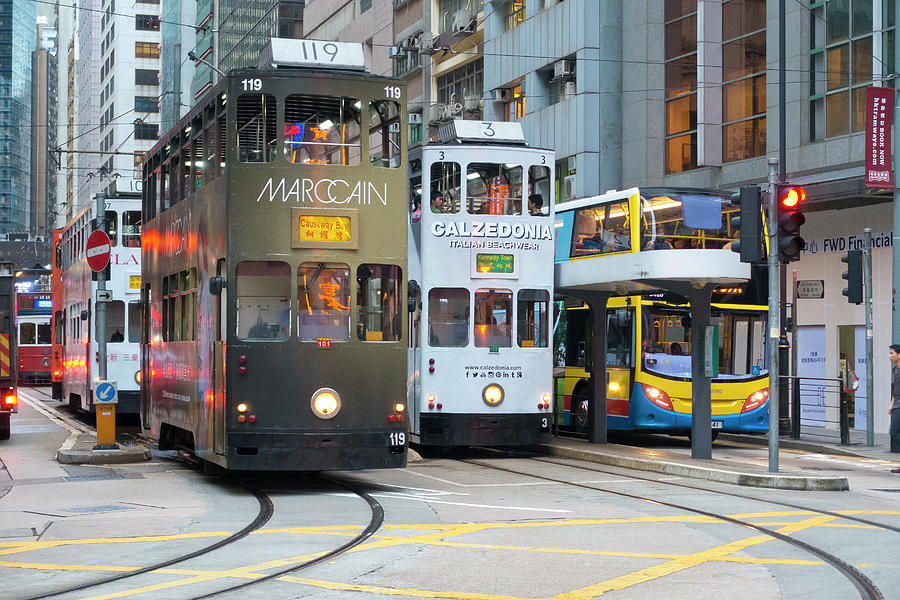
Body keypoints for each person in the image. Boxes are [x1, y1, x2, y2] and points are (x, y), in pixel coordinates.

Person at [890, 344, 900, 467]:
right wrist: (891, 403)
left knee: (894, 432)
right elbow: (895, 389)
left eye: (892, 353)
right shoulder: (895, 369)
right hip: (896, 404)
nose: (890, 355)